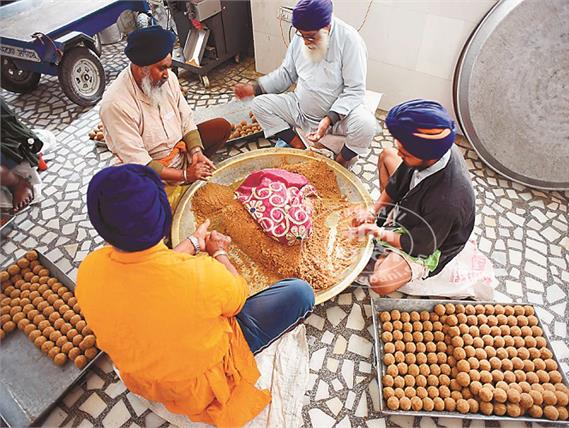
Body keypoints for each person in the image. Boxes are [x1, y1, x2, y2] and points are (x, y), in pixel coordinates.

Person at [75, 164, 314, 427]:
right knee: (299, 293)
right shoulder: (200, 276)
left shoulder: (89, 270)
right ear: (164, 217)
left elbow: (149, 271)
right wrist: (218, 251)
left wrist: (194, 242)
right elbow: (237, 297)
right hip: (201, 385)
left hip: (149, 381)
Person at [348, 99, 476, 296]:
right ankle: (388, 223)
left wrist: (378, 233)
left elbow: (419, 245)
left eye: (406, 153)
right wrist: (374, 212)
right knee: (387, 155)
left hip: (430, 241)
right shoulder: (433, 149)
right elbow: (398, 180)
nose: (401, 153)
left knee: (380, 282)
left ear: (427, 157)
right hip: (417, 207)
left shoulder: (447, 203)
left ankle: (393, 252)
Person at [234, 0, 377, 168]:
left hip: (337, 120)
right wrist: (254, 88)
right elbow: (286, 74)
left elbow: (354, 90)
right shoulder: (300, 39)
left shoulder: (349, 40)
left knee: (366, 125)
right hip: (301, 111)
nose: (306, 42)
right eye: (302, 35)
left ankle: (340, 162)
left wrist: (329, 119)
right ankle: (300, 146)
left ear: (327, 26)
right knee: (259, 104)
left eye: (310, 37)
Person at [100, 26, 231, 185]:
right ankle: (179, 181)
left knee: (221, 127)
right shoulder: (115, 104)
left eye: (168, 67)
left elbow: (186, 119)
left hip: (178, 151)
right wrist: (184, 175)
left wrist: (196, 151)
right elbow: (138, 161)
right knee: (141, 194)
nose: (167, 74)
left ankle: (192, 168)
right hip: (149, 170)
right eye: (162, 68)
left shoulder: (167, 80)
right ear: (142, 69)